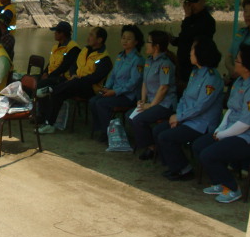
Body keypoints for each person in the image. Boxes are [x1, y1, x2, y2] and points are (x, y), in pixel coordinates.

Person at [193, 45, 250, 203]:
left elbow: (246, 123)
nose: (234, 63)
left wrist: (223, 135)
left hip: (249, 137)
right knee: (199, 145)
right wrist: (220, 129)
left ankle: (232, 188)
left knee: (209, 154)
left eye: (237, 60)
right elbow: (231, 109)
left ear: (247, 67)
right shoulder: (240, 81)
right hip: (233, 130)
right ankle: (219, 182)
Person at [154, 38, 224, 181]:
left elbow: (201, 106)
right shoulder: (195, 73)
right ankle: (173, 165)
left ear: (201, 53)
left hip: (202, 124)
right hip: (188, 119)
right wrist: (177, 115)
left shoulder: (212, 77)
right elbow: (185, 97)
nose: (190, 53)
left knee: (166, 137)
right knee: (158, 130)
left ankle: (184, 169)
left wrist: (179, 117)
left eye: (192, 49)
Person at [38, 27, 113, 134]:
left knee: (69, 84)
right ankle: (49, 124)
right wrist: (73, 74)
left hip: (90, 89)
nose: (88, 37)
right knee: (59, 94)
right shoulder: (84, 50)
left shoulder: (105, 59)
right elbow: (74, 65)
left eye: (91, 35)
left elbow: (95, 78)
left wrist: (78, 79)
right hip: (74, 83)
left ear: (99, 40)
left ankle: (51, 89)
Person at [89, 25, 145, 142]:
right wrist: (106, 88)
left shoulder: (138, 59)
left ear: (136, 42)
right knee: (93, 100)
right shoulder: (120, 56)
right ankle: (101, 128)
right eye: (123, 38)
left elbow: (133, 83)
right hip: (114, 92)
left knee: (102, 103)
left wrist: (114, 91)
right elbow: (113, 75)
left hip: (128, 96)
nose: (125, 41)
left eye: (129, 39)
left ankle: (108, 133)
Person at [130, 30, 177, 160]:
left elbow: (163, 88)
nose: (146, 44)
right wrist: (142, 100)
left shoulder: (165, 63)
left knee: (139, 119)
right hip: (152, 101)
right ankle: (151, 145)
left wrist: (150, 105)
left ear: (156, 46)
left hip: (164, 104)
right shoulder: (149, 61)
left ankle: (152, 148)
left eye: (148, 42)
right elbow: (145, 82)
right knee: (130, 115)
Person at [171, 0, 215, 84]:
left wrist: (187, 17)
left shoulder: (207, 21)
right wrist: (173, 40)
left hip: (196, 66)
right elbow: (183, 39)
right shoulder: (191, 17)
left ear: (203, 1)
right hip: (182, 64)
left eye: (194, 2)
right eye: (189, 2)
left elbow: (189, 38)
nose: (191, 5)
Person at [37, 21, 81, 95]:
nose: (54, 33)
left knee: (40, 84)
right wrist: (45, 72)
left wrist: (48, 76)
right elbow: (50, 63)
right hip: (51, 75)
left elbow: (64, 67)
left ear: (62, 34)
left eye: (56, 32)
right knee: (31, 79)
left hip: (62, 78)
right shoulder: (55, 47)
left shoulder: (73, 48)